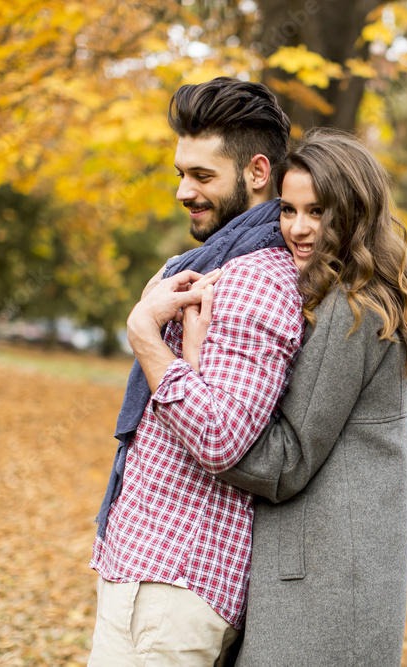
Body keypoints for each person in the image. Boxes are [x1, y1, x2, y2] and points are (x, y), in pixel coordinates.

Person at [184, 128, 407, 666]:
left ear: (353, 214)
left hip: (321, 588)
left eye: (317, 211)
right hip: (335, 574)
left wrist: (190, 384)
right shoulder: (358, 299)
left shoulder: (351, 312)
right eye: (288, 210)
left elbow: (285, 461)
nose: (298, 229)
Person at [87, 77, 302, 666]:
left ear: (258, 172)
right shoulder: (209, 268)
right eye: (181, 173)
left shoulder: (255, 280)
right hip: (153, 569)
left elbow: (221, 439)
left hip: (173, 579)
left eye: (202, 177)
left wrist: (145, 340)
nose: (184, 191)